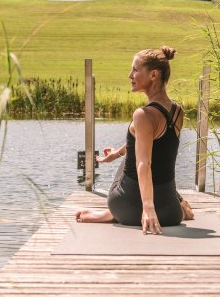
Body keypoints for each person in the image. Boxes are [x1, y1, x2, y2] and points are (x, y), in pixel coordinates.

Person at [75, 46, 193, 235]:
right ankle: (176, 202)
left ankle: (109, 214)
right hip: (171, 213)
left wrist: (148, 208)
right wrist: (118, 152)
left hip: (128, 208)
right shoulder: (177, 111)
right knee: (150, 154)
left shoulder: (143, 115)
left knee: (139, 159)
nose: (130, 75)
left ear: (153, 75)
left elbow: (143, 162)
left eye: (136, 70)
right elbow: (149, 142)